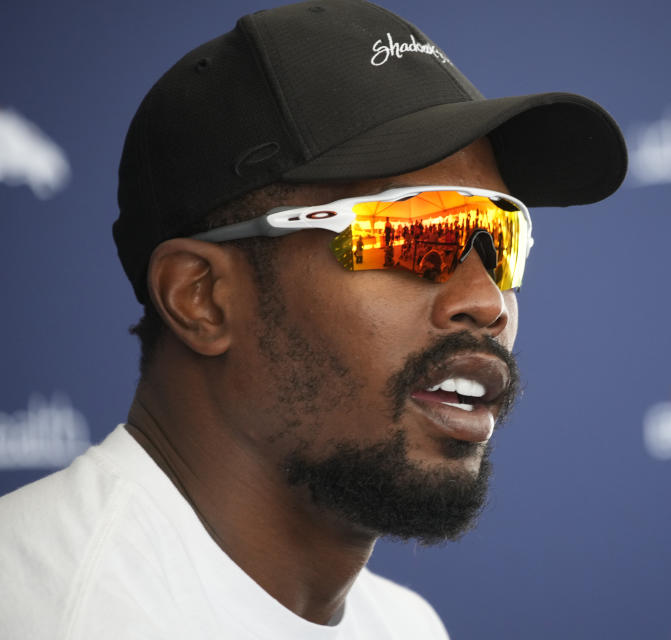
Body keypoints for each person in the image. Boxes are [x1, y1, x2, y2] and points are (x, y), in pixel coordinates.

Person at [0, 1, 626, 638]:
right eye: (413, 233)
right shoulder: (40, 609)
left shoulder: (406, 626)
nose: (487, 301)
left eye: (501, 238)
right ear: (202, 297)